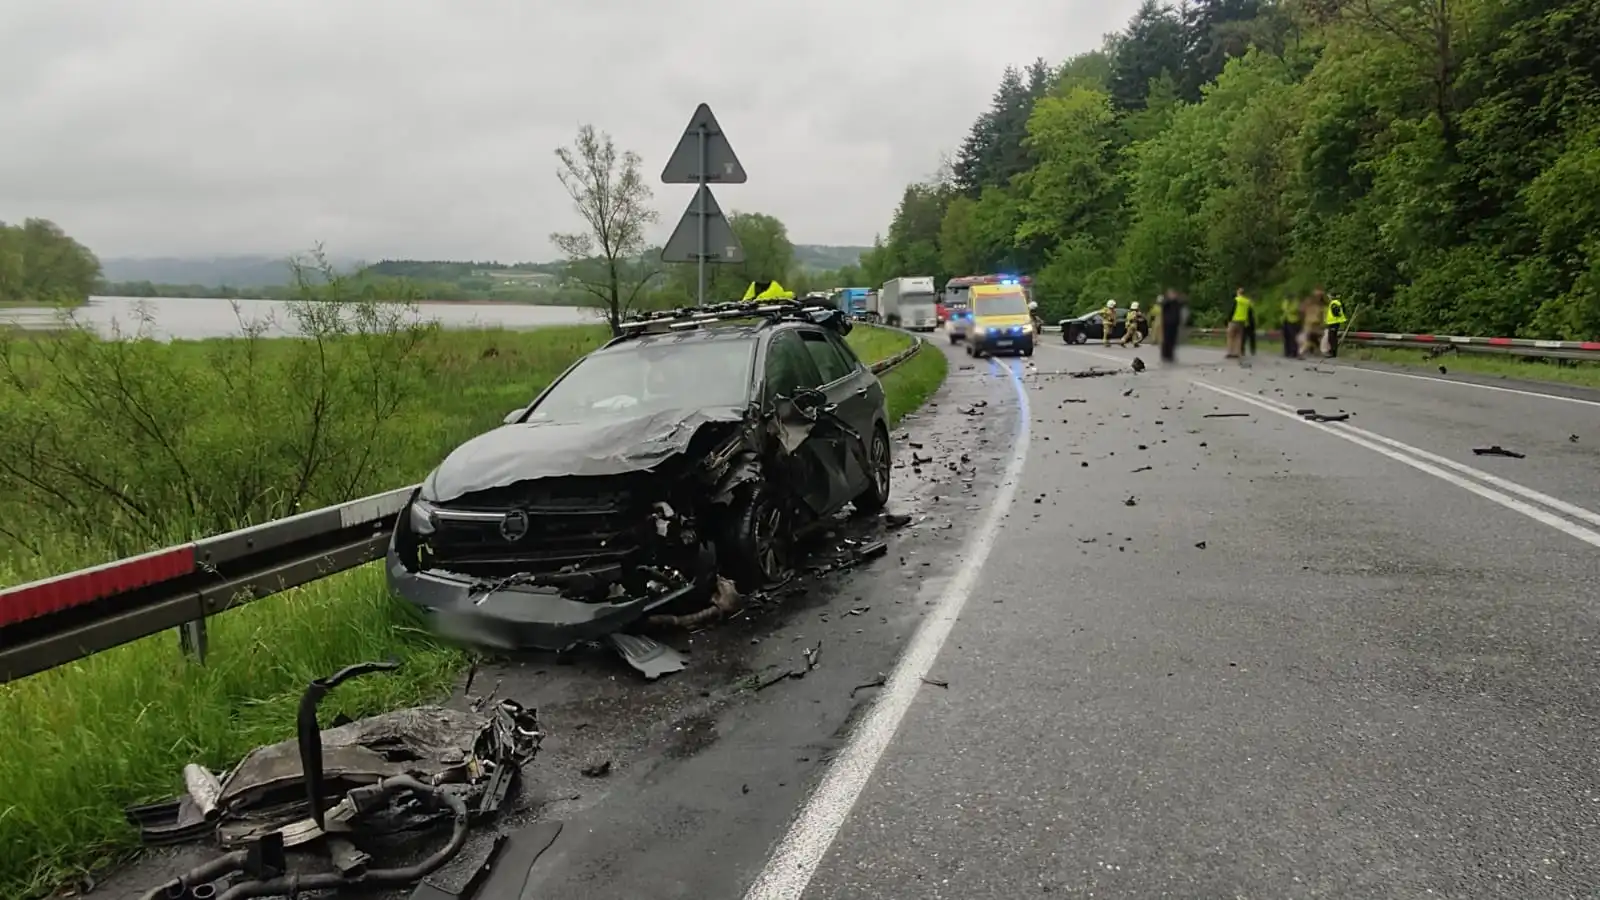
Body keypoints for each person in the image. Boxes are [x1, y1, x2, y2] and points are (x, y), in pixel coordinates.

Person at [1157, 288, 1187, 363]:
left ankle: (1170, 355)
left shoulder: (1177, 302)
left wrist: (1180, 297)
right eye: (1171, 294)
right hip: (1167, 323)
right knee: (1167, 339)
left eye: (1174, 294)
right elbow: (1162, 304)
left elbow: (1183, 302)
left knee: (1173, 340)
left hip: (1175, 323)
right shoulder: (1166, 302)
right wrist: (1169, 299)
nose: (1173, 295)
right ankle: (1165, 355)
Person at [1225, 287, 1252, 358]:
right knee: (1239, 337)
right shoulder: (1247, 302)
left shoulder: (1236, 300)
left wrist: (1228, 319)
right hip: (1242, 322)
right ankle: (1237, 353)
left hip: (1234, 321)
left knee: (1230, 337)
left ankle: (1230, 352)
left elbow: (1232, 310)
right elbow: (1249, 313)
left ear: (1238, 293)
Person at [1300, 289, 1327, 358]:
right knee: (1309, 337)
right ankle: (1305, 351)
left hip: (1317, 323)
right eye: (1318, 296)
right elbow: (1302, 310)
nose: (1319, 297)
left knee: (1317, 337)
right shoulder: (1309, 302)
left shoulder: (1322, 304)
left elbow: (1323, 313)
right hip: (1309, 323)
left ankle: (1316, 350)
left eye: (1320, 296)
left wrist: (1323, 322)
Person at [1324, 293, 1348, 358]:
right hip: (1334, 322)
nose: (1328, 297)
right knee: (1332, 338)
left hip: (1334, 323)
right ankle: (1333, 352)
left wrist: (1335, 319)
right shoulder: (1337, 302)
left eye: (1329, 296)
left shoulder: (1334, 303)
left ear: (1332, 296)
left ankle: (1332, 352)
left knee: (1332, 338)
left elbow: (1336, 313)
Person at [1280, 293, 1302, 358]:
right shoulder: (1286, 301)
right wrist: (1287, 309)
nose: (1289, 299)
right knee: (1286, 336)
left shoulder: (1296, 302)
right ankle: (1287, 351)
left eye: (1290, 298)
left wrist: (1288, 309)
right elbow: (1283, 308)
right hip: (1285, 320)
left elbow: (1295, 310)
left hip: (1293, 321)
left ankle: (1294, 352)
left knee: (1293, 336)